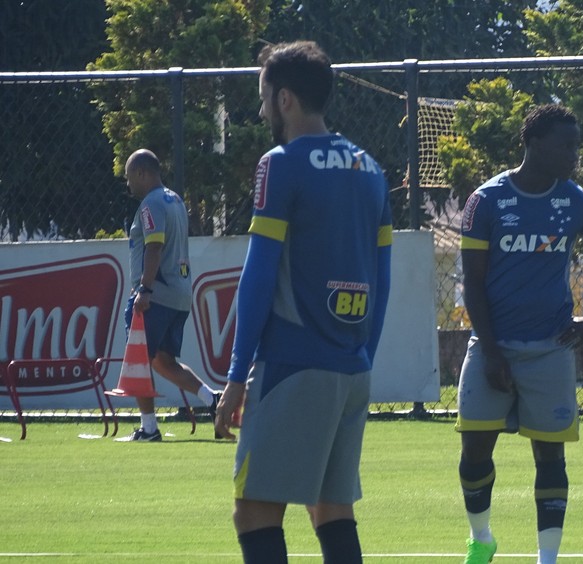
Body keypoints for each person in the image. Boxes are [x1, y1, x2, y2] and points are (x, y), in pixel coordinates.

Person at [213, 40, 392, 564]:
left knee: (254, 510)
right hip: (352, 368)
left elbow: (259, 273)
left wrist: (236, 375)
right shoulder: (371, 169)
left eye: (264, 97)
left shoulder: (281, 164)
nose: (261, 110)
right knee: (331, 509)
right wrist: (362, 357)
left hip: (292, 364)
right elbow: (382, 279)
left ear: (285, 98)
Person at [456, 104, 583, 564]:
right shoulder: (487, 200)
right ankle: (481, 539)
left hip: (551, 349)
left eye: (577, 145)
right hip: (491, 346)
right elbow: (473, 282)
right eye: (565, 145)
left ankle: (546, 559)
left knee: (550, 457)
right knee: (474, 454)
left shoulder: (578, 202)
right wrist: (492, 353)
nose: (574, 154)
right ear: (533, 144)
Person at [118, 149, 222, 442]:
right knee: (163, 360)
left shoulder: (150, 204)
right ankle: (212, 398)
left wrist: (145, 289)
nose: (128, 184)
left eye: (129, 177)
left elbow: (154, 246)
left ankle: (149, 428)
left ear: (142, 173)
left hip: (156, 294)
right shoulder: (175, 200)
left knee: (139, 359)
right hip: (180, 294)